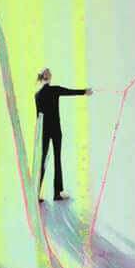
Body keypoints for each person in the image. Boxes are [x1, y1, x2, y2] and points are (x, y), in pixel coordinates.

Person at [34, 68, 92, 201]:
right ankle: (57, 193)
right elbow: (70, 92)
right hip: (55, 130)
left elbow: (38, 116)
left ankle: (36, 193)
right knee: (57, 159)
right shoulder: (54, 90)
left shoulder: (37, 95)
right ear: (49, 77)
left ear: (41, 78)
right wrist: (85, 91)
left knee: (42, 160)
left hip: (43, 131)